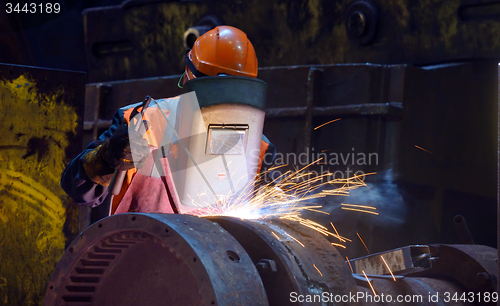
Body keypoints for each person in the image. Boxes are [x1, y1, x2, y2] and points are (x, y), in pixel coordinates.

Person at [61, 25, 275, 214]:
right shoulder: (142, 122)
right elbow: (77, 189)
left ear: (189, 73)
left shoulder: (259, 146)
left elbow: (271, 217)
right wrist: (106, 157)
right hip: (137, 252)